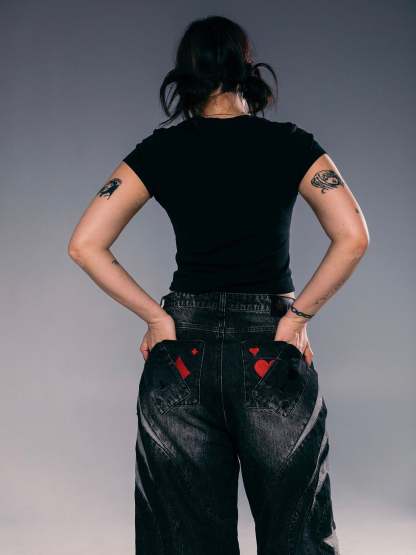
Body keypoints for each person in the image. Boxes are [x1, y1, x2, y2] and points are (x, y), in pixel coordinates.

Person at [68, 14, 369, 555]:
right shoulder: (290, 145)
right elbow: (353, 236)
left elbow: (85, 244)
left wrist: (156, 318)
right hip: (270, 347)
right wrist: (297, 319)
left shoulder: (160, 151)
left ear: (185, 75)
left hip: (182, 348)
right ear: (246, 66)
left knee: (184, 540)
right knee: (297, 534)